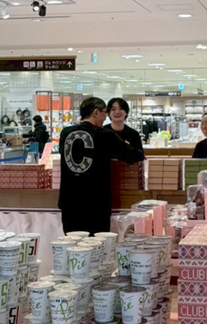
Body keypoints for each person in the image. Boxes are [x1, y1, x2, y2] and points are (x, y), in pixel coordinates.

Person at [58, 97, 145, 234]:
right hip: (95, 202)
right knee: (97, 242)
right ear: (96, 112)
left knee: (71, 241)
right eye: (105, 113)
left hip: (69, 201)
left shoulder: (65, 133)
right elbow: (135, 155)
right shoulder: (105, 135)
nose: (105, 118)